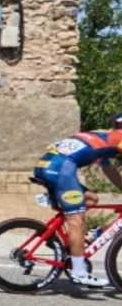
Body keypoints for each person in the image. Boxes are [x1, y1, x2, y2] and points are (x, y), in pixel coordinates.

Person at [32, 116, 122, 288]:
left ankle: (83, 239)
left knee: (92, 198)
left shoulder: (103, 136)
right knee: (76, 220)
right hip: (61, 170)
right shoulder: (120, 139)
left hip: (46, 166)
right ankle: (80, 273)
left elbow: (109, 169)